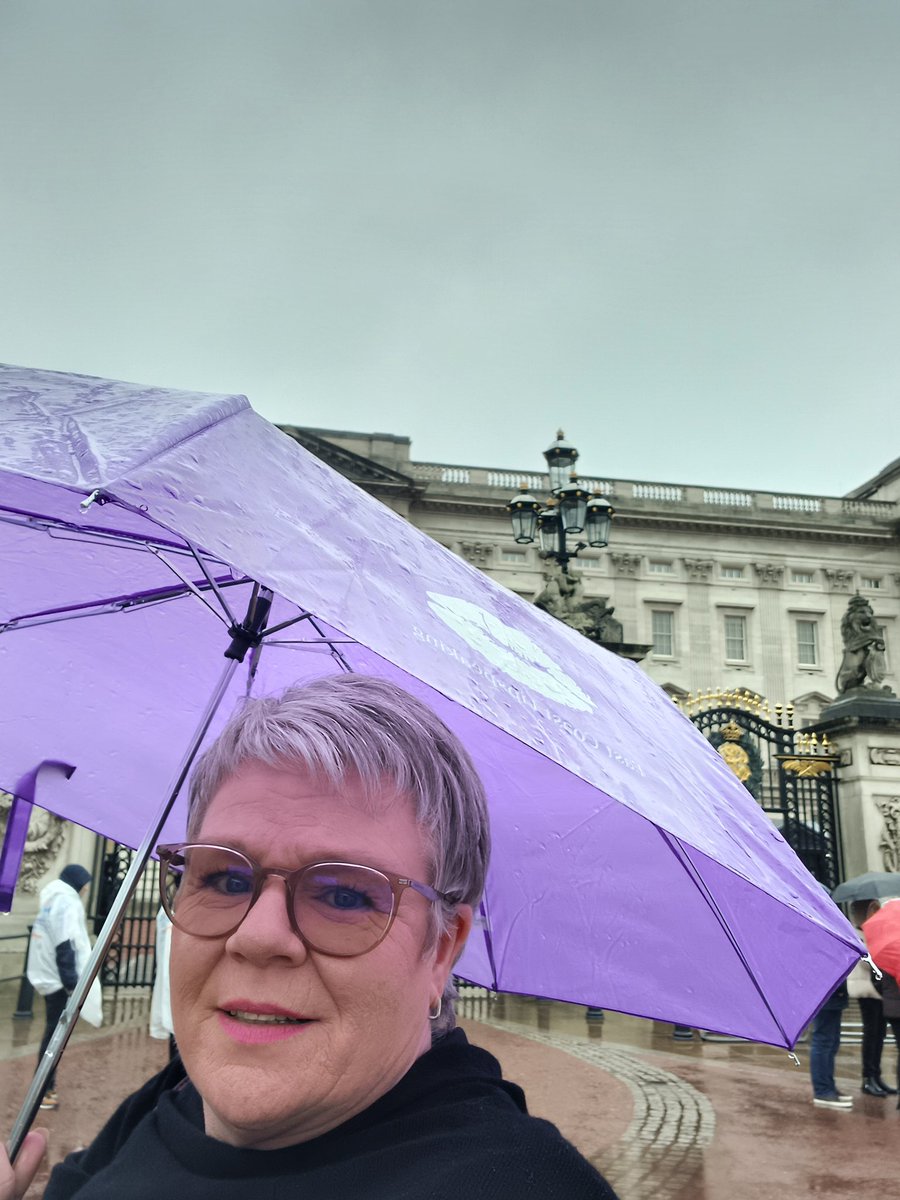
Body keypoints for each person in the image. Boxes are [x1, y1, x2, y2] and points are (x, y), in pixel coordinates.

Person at [7, 675, 618, 1199]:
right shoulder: (165, 1103)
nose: (258, 936)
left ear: (440, 950)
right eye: (223, 877)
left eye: (345, 894)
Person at [25, 864, 96, 1112]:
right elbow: (65, 944)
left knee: (52, 1032)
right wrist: (71, 985)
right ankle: (43, 1089)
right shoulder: (66, 901)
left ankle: (44, 1086)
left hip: (46, 974)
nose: (87, 890)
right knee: (54, 1035)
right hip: (57, 979)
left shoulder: (53, 897)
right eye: (85, 884)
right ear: (78, 883)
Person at [847, 899, 896, 1097]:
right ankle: (868, 1078)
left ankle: (877, 1076)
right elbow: (869, 962)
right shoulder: (856, 934)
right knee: (871, 1034)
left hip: (878, 990)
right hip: (867, 991)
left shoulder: (871, 933)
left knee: (879, 1034)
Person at [809, 979, 852, 1109]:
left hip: (833, 993)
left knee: (831, 1041)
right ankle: (822, 1090)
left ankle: (828, 1086)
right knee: (823, 1041)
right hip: (826, 992)